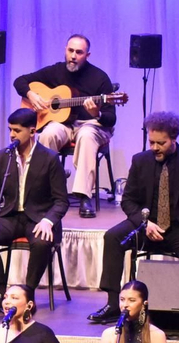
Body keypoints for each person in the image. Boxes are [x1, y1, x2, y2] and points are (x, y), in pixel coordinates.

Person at [89, 111, 179, 325]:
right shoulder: (140, 160)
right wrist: (144, 223)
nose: (155, 147)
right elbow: (128, 200)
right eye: (151, 142)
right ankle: (113, 303)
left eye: (161, 143)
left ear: (174, 138)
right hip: (146, 226)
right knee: (112, 238)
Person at [16, 33, 118, 218]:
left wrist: (97, 113)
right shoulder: (56, 71)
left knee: (86, 135)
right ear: (65, 50)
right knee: (48, 133)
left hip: (91, 125)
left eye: (79, 52)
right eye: (70, 50)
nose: (73, 55)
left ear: (87, 55)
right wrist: (32, 95)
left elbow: (111, 118)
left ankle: (84, 195)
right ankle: (44, 193)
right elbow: (20, 81)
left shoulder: (100, 78)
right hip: (63, 124)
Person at [0, 108, 69, 311]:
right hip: (9, 216)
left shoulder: (50, 159)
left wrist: (48, 221)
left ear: (32, 131)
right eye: (10, 130)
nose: (12, 135)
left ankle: (28, 293)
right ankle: (0, 290)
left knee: (42, 241)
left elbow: (61, 201)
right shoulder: (3, 157)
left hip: (39, 218)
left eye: (17, 130)